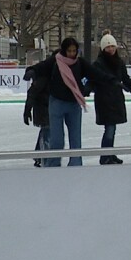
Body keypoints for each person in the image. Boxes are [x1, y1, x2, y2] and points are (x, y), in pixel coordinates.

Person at [31, 37, 107, 167]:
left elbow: (96, 74)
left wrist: (113, 81)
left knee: (75, 139)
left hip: (73, 104)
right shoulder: (56, 61)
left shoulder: (80, 63)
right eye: (69, 51)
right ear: (64, 50)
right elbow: (41, 67)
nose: (72, 54)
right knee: (57, 140)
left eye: (74, 51)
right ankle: (53, 165)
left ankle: (76, 164)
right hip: (56, 103)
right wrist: (31, 71)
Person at [91, 33, 131, 164]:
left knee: (112, 128)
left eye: (113, 46)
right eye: (108, 47)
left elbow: (125, 78)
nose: (111, 49)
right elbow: (97, 80)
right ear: (103, 49)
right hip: (104, 100)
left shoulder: (119, 62)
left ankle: (109, 153)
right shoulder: (99, 64)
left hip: (116, 99)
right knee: (110, 128)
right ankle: (105, 155)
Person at [22, 59, 50, 168]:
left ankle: (39, 155)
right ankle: (42, 156)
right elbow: (32, 93)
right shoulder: (44, 76)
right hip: (42, 108)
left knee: (46, 130)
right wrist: (27, 111)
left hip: (49, 107)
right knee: (47, 130)